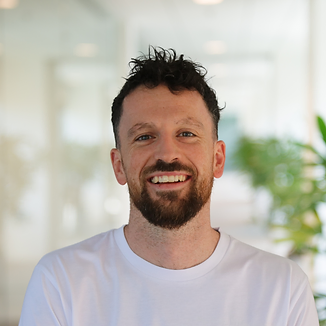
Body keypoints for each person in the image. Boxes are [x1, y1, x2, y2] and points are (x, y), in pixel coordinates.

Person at [19, 47, 319, 326]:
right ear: (119, 165)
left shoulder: (283, 288)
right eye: (144, 136)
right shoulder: (61, 282)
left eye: (186, 133)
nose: (167, 153)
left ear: (217, 158)